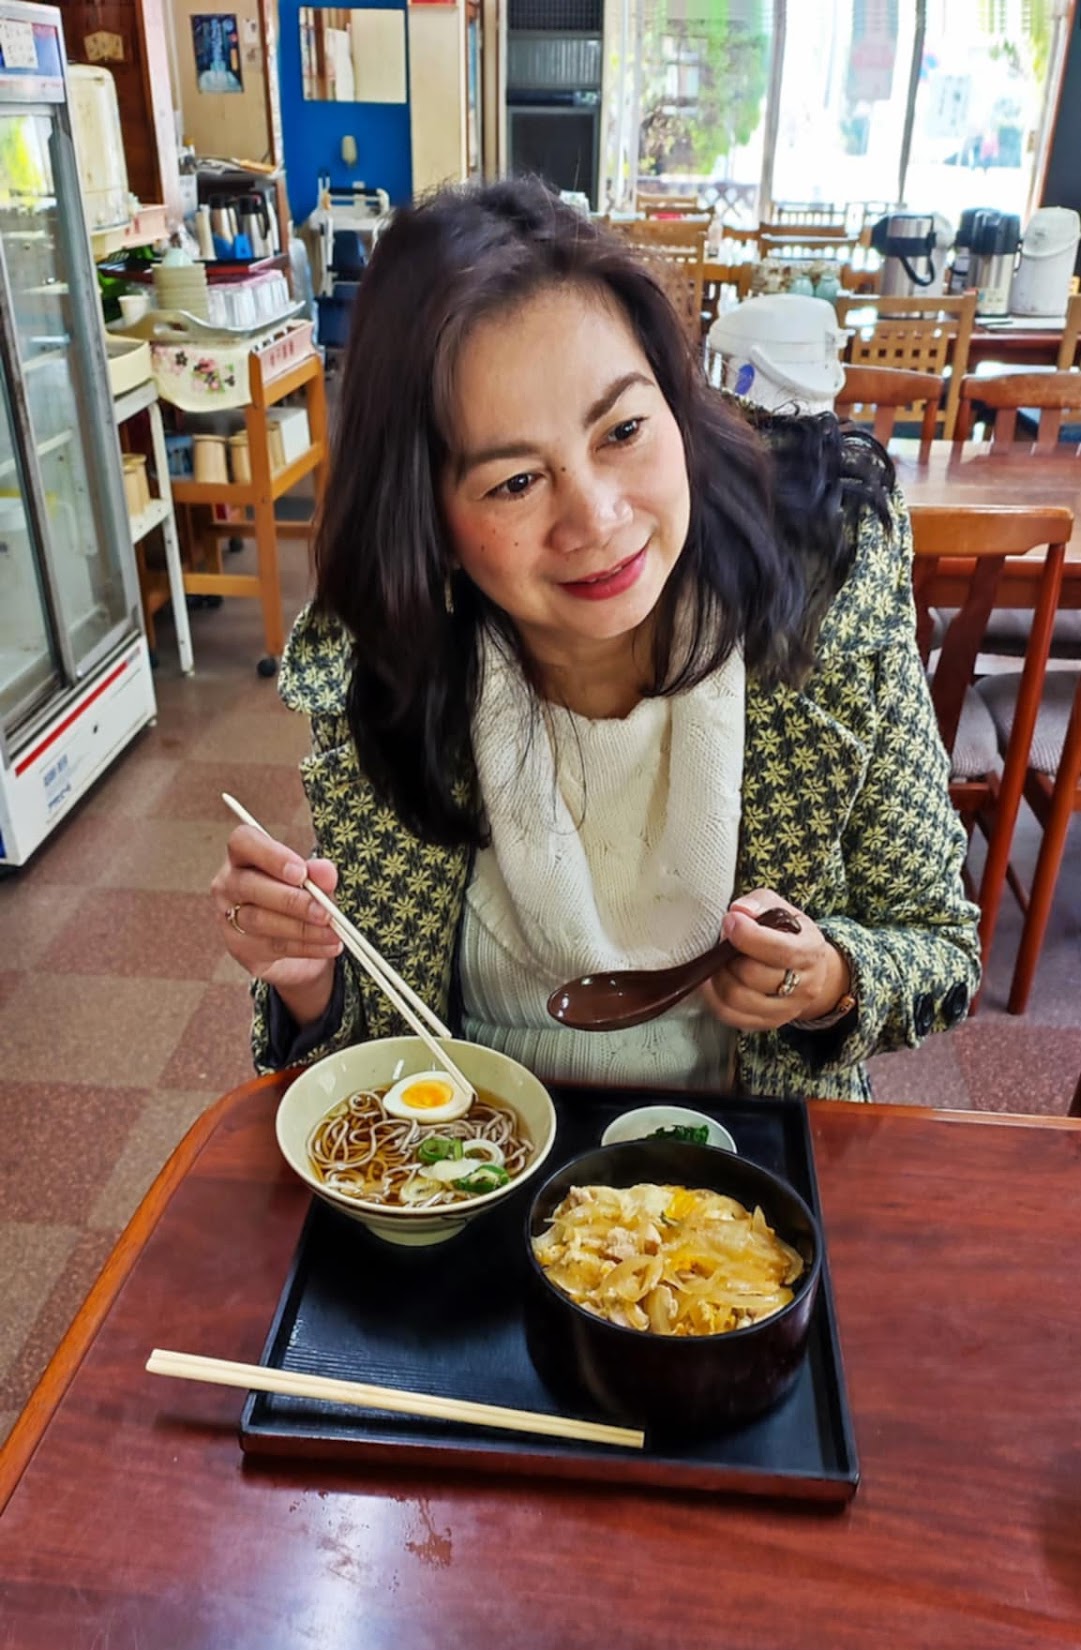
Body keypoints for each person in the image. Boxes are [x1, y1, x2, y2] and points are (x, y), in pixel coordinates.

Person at [212, 179, 980, 1101]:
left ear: (676, 403)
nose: (598, 519)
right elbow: (381, 1035)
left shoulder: (820, 590)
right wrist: (309, 982)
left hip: (744, 1157)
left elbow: (938, 944)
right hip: (481, 1148)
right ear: (429, 522)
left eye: (622, 430)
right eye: (513, 482)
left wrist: (830, 982)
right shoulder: (391, 661)